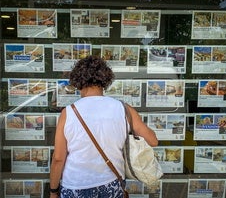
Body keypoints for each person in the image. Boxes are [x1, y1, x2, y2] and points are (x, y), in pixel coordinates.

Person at [49, 55, 158, 198]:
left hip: (75, 185)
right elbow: (153, 141)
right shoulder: (124, 109)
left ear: (78, 81)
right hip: (111, 184)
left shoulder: (68, 113)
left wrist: (53, 192)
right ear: (105, 79)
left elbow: (58, 159)